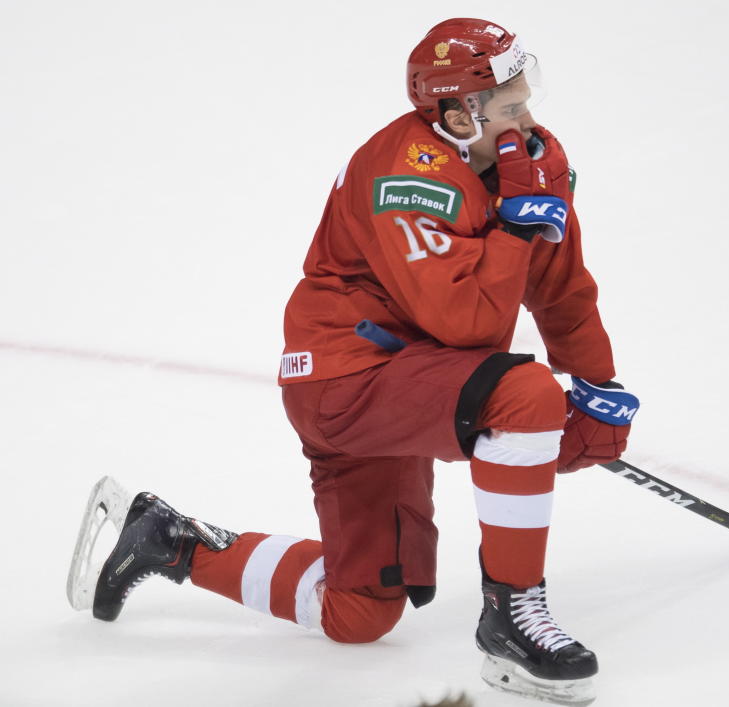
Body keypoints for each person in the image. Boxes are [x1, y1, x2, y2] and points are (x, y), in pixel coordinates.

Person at [75, 18, 638, 706]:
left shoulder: (525, 159)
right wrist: (517, 226)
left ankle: (173, 539)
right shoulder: (405, 177)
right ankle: (511, 620)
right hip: (342, 379)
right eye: (512, 107)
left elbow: (560, 283)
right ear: (460, 112)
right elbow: (469, 323)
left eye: (527, 99)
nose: (529, 120)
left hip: (411, 376)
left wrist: (596, 379)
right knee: (523, 397)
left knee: (361, 610)